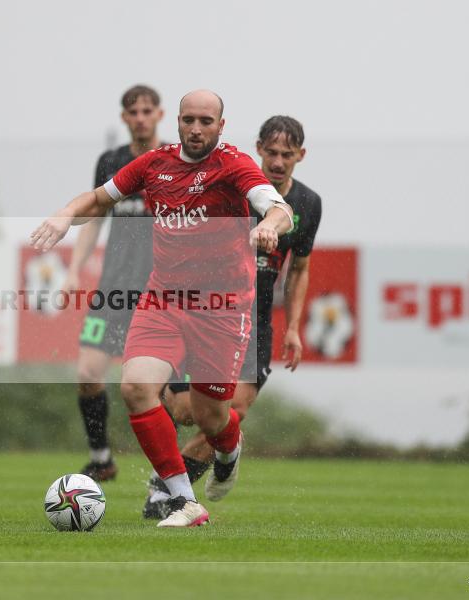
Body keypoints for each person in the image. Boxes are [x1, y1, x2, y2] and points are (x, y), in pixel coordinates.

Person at [31, 90, 294, 527]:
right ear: (177, 121)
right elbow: (99, 199)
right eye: (188, 119)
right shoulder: (155, 164)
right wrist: (64, 215)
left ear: (221, 126)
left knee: (210, 416)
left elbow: (278, 206)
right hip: (164, 299)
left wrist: (268, 224)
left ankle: (229, 448)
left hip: (222, 307)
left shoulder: (233, 165)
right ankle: (184, 501)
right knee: (135, 387)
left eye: (205, 121)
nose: (196, 129)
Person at [143, 116, 322, 518]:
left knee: (232, 408)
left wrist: (292, 327)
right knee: (188, 412)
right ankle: (215, 457)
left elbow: (300, 268)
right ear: (257, 148)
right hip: (206, 308)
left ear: (300, 156)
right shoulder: (233, 183)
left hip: (254, 319)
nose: (277, 162)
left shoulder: (308, 204)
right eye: (271, 152)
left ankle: (167, 491)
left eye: (287, 155)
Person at [63, 85, 163, 482]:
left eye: (147, 110)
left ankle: (165, 473)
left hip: (159, 290)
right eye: (133, 111)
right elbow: (94, 218)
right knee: (88, 373)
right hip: (113, 289)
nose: (140, 117)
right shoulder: (111, 161)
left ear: (159, 114)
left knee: (154, 391)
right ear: (124, 118)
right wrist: (73, 269)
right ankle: (101, 456)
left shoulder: (174, 161)